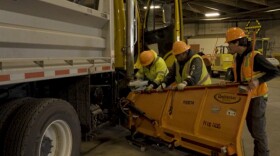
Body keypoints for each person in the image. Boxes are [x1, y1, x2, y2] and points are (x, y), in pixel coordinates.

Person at [225, 27, 280, 156]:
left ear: (237, 43)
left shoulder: (255, 56)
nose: (228, 46)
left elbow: (275, 71)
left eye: (229, 43)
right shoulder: (237, 57)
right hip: (245, 98)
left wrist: (257, 81)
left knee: (258, 131)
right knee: (252, 130)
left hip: (257, 98)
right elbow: (239, 78)